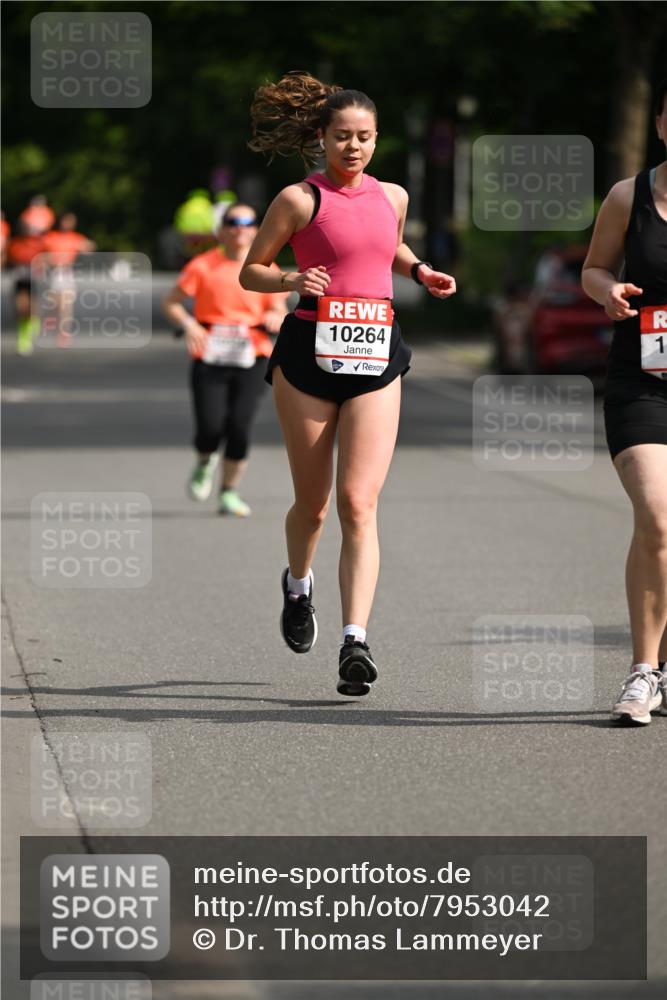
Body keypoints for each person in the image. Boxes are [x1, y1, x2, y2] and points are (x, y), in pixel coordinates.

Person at [239, 71, 456, 695]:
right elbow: (251, 272)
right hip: (309, 352)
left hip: (376, 350)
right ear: (322, 139)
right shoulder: (298, 200)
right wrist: (290, 281)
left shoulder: (393, 196)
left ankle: (354, 641)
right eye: (341, 137)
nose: (353, 147)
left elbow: (385, 245)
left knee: (360, 503)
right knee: (313, 505)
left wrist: (419, 270)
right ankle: (298, 586)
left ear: (377, 139)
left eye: (363, 137)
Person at [582, 77, 667, 725]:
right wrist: (605, 291)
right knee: (657, 516)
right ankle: (642, 672)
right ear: (660, 124)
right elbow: (593, 267)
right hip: (640, 382)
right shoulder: (627, 196)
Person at [162, 203, 288, 516]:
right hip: (210, 354)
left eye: (247, 222)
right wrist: (190, 325)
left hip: (253, 354)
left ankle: (229, 491)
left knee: (240, 426)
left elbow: (279, 308)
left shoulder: (267, 269)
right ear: (222, 230)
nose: (239, 228)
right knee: (210, 426)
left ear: (256, 230)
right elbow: (172, 303)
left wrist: (275, 315)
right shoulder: (203, 266)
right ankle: (205, 461)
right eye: (232, 222)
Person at [40, 213, 95, 346]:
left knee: (66, 304)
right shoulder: (51, 237)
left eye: (71, 221)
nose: (68, 224)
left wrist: (87, 248)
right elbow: (40, 255)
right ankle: (50, 319)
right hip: (53, 273)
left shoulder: (75, 238)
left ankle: (64, 333)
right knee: (54, 303)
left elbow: (90, 247)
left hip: (67, 273)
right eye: (66, 221)